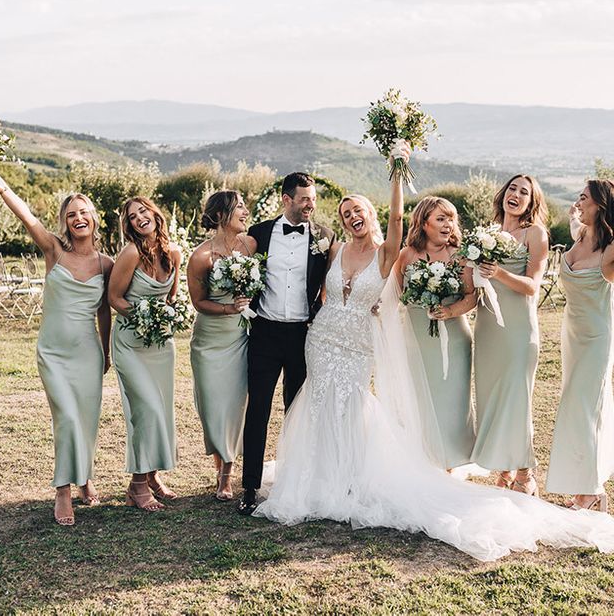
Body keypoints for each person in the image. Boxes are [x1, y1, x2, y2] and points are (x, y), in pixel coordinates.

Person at [255, 162, 614, 562]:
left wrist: (396, 168)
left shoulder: (417, 251)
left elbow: (471, 293)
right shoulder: (342, 250)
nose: (352, 216)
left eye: (359, 210)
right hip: (325, 338)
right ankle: (321, 475)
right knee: (321, 406)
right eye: (344, 213)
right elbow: (328, 286)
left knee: (412, 403)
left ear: (373, 216)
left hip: (422, 339)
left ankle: (504, 471)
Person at [0, 163, 112, 527]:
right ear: (65, 222)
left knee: (86, 420)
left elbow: (105, 311)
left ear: (94, 219)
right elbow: (26, 216)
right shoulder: (53, 250)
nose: (78, 218)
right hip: (53, 353)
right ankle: (63, 490)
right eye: (72, 215)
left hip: (88, 353)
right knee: (67, 417)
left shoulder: (106, 263)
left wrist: (108, 352)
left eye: (84, 212)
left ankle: (85, 477)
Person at [237, 172, 334, 515]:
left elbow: (332, 283)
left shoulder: (325, 237)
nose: (311, 205)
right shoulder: (259, 234)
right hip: (264, 332)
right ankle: (249, 487)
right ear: (286, 199)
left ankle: (296, 483)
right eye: (305, 199)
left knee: (297, 412)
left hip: (303, 335)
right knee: (258, 410)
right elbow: (237, 268)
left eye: (314, 199)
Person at [471, 175, 549, 494]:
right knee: (491, 399)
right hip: (488, 326)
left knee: (517, 400)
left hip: (518, 330)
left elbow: (532, 286)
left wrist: (500, 273)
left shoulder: (536, 233)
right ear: (503, 194)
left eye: (524, 192)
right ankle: (503, 471)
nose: (515, 194)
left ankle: (525, 473)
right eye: (512, 188)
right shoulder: (486, 233)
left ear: (532, 202)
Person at [108, 196, 181, 512]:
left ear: (154, 213)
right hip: (129, 343)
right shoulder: (130, 254)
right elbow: (114, 297)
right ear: (130, 226)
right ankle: (137, 487)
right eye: (132, 216)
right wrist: (142, 316)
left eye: (143, 211)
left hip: (160, 346)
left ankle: (150, 476)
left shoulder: (174, 253)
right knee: (146, 410)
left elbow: (171, 298)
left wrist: (164, 316)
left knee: (160, 411)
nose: (139, 218)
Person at [393, 197, 477, 470]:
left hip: (452, 339)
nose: (448, 224)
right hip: (415, 340)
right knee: (417, 399)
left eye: (451, 218)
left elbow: (471, 296)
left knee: (450, 403)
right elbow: (396, 293)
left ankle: (448, 462)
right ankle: (421, 459)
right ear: (423, 222)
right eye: (441, 218)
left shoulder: (460, 255)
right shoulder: (407, 255)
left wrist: (449, 312)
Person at [546, 179, 614, 511]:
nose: (578, 202)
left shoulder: (611, 248)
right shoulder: (579, 234)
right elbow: (574, 217)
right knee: (574, 407)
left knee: (587, 408)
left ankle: (591, 490)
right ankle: (586, 487)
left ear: (601, 205)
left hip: (597, 337)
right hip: (571, 334)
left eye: (584, 198)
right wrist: (573, 213)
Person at [187, 191, 257, 500]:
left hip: (239, 337)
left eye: (244, 205)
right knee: (212, 407)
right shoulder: (200, 257)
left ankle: (226, 474)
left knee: (232, 405)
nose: (245, 211)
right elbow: (198, 302)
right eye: (238, 207)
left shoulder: (252, 245)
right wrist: (229, 308)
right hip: (209, 340)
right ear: (219, 216)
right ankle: (220, 467)